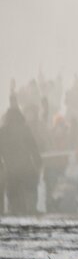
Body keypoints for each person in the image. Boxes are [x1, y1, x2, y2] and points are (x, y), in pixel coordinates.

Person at [0, 86, 42, 215]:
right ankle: (31, 211)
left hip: (11, 171)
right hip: (27, 169)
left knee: (14, 201)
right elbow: (34, 148)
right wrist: (38, 163)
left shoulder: (2, 132)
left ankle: (14, 214)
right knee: (30, 195)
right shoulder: (24, 129)